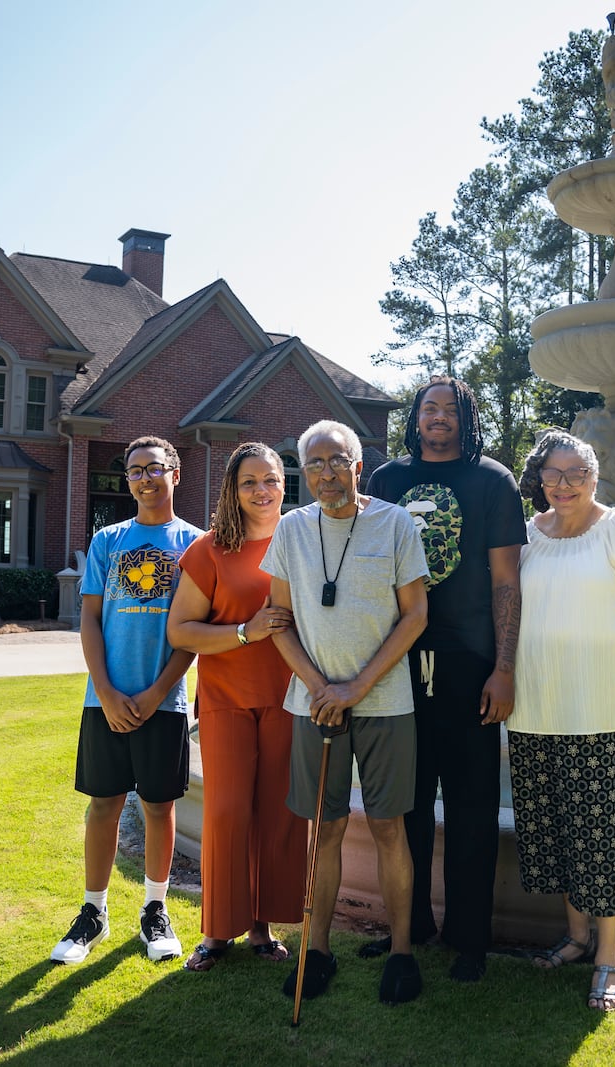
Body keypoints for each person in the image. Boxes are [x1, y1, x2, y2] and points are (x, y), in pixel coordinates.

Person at [260, 419, 430, 1005]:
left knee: (388, 826)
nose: (326, 473)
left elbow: (415, 616)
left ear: (358, 467)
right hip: (313, 704)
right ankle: (318, 950)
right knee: (324, 827)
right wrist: (319, 687)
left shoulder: (396, 523)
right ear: (302, 473)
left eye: (337, 461)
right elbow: (277, 620)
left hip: (385, 701)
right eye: (315, 464)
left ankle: (402, 953)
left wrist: (355, 687)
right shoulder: (291, 529)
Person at [363, 375, 525, 982]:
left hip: (469, 664)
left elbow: (506, 581)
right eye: (428, 407)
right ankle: (408, 928)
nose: (437, 417)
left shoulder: (492, 481)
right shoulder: (385, 482)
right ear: (415, 416)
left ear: (465, 418)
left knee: (471, 807)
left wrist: (503, 669)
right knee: (402, 806)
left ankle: (469, 939)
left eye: (449, 409)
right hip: (396, 661)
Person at [510, 429, 615, 1012]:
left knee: (599, 836)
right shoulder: (527, 536)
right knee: (553, 830)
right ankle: (577, 939)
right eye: (553, 475)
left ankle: (611, 957)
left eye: (576, 472)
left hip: (602, 713)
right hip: (533, 710)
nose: (565, 484)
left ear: (595, 475)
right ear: (538, 479)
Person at [51, 436, 201, 966]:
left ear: (175, 473)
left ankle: (154, 910)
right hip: (104, 702)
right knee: (104, 804)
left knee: (160, 806)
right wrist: (108, 692)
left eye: (154, 468)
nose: (144, 479)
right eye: (134, 471)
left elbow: (194, 631)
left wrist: (159, 689)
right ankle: (94, 913)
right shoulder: (107, 542)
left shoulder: (196, 544)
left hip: (166, 701)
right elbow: (89, 619)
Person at [167, 443, 307, 971]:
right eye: (250, 481)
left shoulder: (303, 541)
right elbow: (180, 630)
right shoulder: (210, 550)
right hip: (227, 699)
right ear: (233, 488)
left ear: (283, 483)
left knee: (278, 815)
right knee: (226, 814)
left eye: (270, 479)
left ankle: (263, 929)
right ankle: (216, 931)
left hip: (290, 699)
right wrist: (246, 633)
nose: (262, 490)